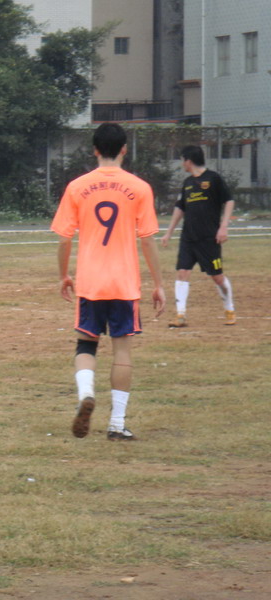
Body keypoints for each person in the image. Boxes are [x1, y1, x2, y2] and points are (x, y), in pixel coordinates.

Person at [51, 123, 166, 441]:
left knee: (86, 344)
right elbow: (147, 240)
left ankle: (86, 393)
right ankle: (116, 424)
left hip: (91, 282)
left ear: (95, 150)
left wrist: (64, 275)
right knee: (122, 351)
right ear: (124, 149)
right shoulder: (140, 188)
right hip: (124, 283)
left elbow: (64, 239)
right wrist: (159, 283)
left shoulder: (77, 187)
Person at [160, 145, 236, 327]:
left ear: (189, 160)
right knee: (182, 272)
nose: (182, 164)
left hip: (209, 238)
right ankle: (180, 315)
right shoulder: (187, 183)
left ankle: (229, 308)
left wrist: (223, 227)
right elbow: (180, 208)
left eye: (182, 160)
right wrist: (169, 232)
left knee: (217, 277)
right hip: (188, 238)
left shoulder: (213, 178)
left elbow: (229, 200)